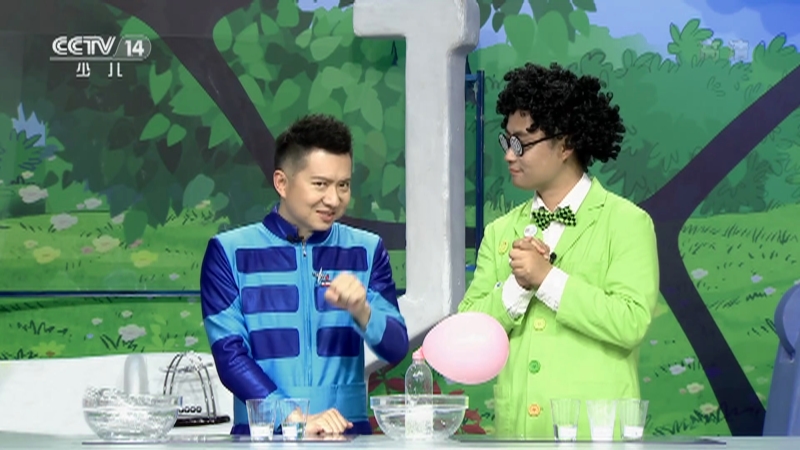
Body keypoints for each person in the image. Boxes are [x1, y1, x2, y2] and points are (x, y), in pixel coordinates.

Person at [458, 63, 659, 440]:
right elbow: (469, 330)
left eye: (521, 143)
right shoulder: (499, 231)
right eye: (506, 141)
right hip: (518, 436)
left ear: (565, 144)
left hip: (596, 437)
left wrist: (547, 279)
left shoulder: (627, 223)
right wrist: (517, 288)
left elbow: (630, 321)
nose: (509, 155)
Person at [200, 114, 409, 436]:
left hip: (345, 435)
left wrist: (363, 312)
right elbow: (230, 356)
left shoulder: (367, 250)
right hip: (263, 436)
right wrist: (293, 418)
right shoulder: (228, 252)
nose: (334, 199)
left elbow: (396, 348)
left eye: (343, 185)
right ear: (282, 183)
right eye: (320, 184)